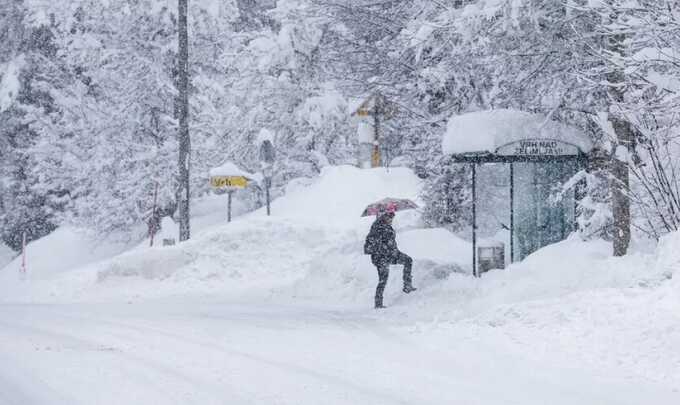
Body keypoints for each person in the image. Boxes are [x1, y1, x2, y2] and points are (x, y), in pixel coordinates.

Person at [364, 207, 416, 309]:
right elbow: (374, 244)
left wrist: (392, 249)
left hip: (392, 254)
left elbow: (390, 241)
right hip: (381, 258)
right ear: (384, 216)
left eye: (393, 216)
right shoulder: (376, 228)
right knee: (383, 279)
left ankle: (407, 286)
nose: (392, 219)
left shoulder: (387, 226)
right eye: (390, 216)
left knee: (408, 260)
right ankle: (378, 303)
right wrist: (383, 248)